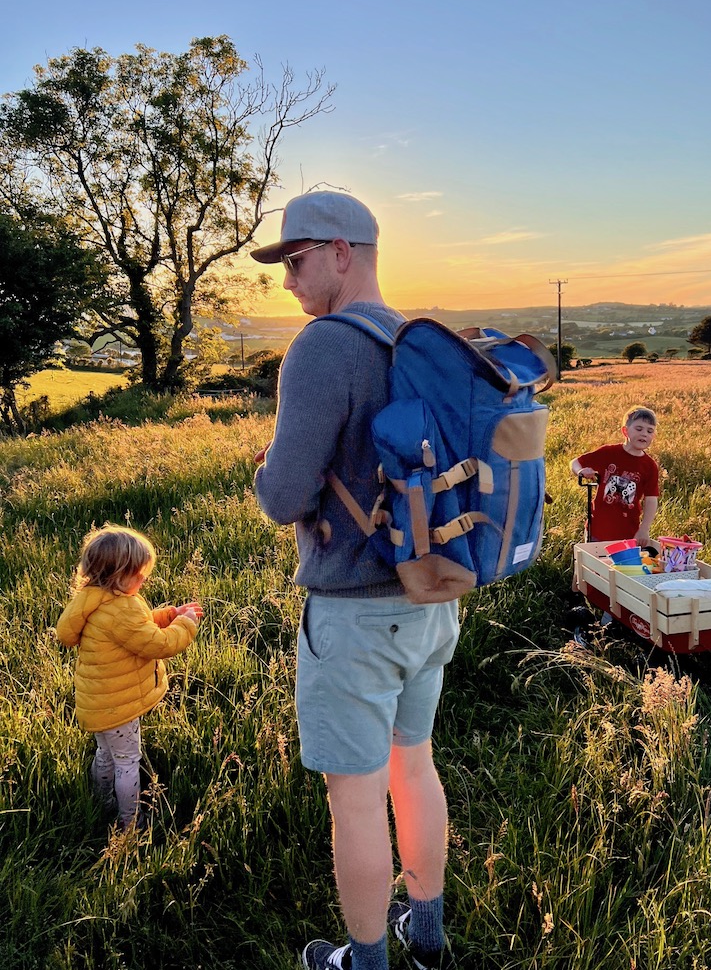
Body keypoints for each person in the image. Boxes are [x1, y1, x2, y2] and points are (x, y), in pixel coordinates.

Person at [251, 191, 459, 970]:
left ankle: (364, 962)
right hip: (433, 597)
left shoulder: (323, 347)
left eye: (295, 261)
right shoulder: (413, 337)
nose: (288, 281)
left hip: (354, 612)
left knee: (355, 798)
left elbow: (283, 495)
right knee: (416, 763)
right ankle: (427, 933)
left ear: (341, 252)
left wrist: (262, 475)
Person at [56, 524, 202, 830]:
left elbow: (140, 627)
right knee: (127, 763)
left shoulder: (96, 600)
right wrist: (186, 624)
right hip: (120, 707)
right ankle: (130, 822)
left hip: (97, 703)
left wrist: (170, 614)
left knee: (105, 755)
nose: (144, 578)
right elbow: (158, 644)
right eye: (138, 573)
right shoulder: (121, 609)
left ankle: (102, 803)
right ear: (117, 575)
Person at [569, 405, 659, 543]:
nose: (644, 434)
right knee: (593, 563)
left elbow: (651, 499)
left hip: (629, 531)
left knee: (623, 564)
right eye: (639, 429)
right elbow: (575, 462)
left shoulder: (650, 466)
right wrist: (580, 471)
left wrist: (644, 529)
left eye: (649, 431)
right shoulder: (608, 453)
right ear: (625, 431)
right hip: (598, 529)